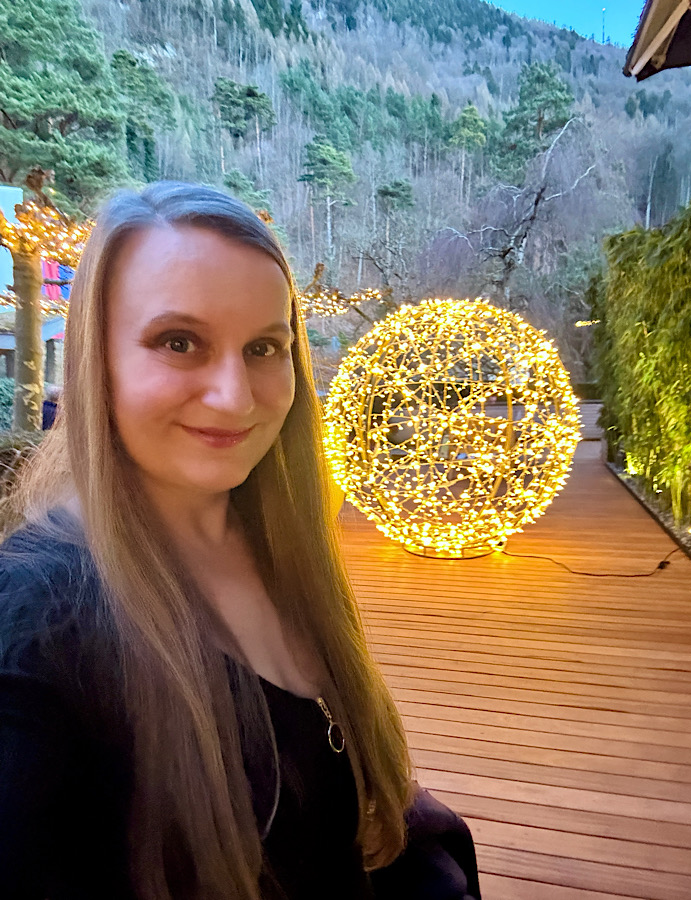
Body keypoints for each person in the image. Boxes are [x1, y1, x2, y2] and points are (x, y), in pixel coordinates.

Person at [0, 182, 481, 900]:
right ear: (96, 360)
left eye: (264, 347)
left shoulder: (280, 542)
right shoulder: (36, 630)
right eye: (179, 342)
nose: (236, 396)